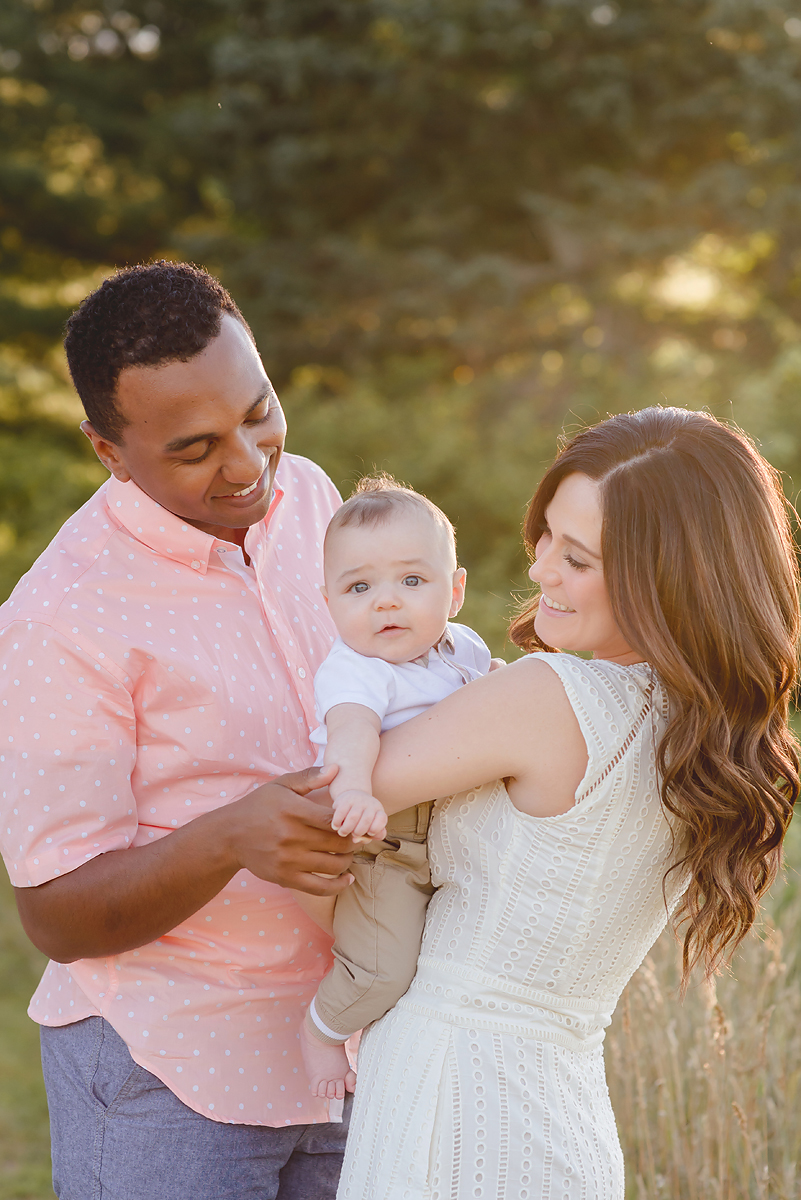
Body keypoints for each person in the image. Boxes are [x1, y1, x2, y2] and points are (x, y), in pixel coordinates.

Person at [334, 406, 800, 1200]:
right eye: (546, 533)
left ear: (668, 580)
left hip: (454, 1106)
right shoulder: (701, 736)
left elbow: (325, 794)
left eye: (578, 557)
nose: (543, 568)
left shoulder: (552, 696)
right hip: (558, 1118)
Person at [0, 261, 360, 1200]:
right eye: (195, 448)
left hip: (345, 1049)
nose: (246, 463)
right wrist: (230, 835)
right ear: (108, 450)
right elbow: (54, 914)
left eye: (259, 413)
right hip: (170, 1073)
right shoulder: (60, 619)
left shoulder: (314, 501)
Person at [294, 475, 492, 1100]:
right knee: (384, 968)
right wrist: (354, 790)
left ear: (454, 590)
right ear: (328, 601)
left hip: (453, 828)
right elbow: (350, 730)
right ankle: (324, 1030)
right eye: (360, 587)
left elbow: (490, 695)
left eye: (412, 581)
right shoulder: (357, 670)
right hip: (383, 843)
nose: (387, 602)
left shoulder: (464, 649)